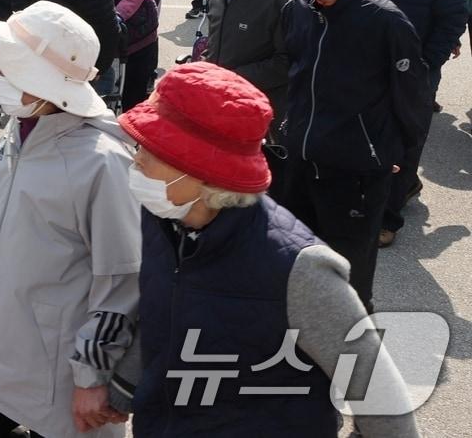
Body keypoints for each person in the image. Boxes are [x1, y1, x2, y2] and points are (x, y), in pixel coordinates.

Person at [110, 62, 421, 438]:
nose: (136, 159)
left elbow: (383, 402)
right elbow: (163, 313)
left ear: (204, 171)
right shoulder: (164, 220)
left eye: (152, 150)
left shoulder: (297, 269)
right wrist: (123, 388)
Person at [0, 2, 140, 438]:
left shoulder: (102, 163)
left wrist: (93, 375)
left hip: (60, 355)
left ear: (47, 83)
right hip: (4, 335)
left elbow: (122, 281)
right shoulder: (22, 127)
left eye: (13, 66)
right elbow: (9, 222)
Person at [269, 0, 432, 308]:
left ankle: (351, 365)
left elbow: (413, 103)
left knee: (348, 289)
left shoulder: (384, 22)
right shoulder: (297, 11)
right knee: (292, 275)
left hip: (355, 177)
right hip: (297, 167)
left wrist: (392, 159)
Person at [356, 0, 466, 248]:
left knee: (405, 143)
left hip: (416, 75)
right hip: (371, 71)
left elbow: (452, 20)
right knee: (369, 139)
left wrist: (424, 63)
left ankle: (388, 219)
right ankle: (380, 198)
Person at [201, 0, 299, 183]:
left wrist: (230, 78)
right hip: (221, 111)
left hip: (260, 123)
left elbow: (287, 62)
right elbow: (216, 46)